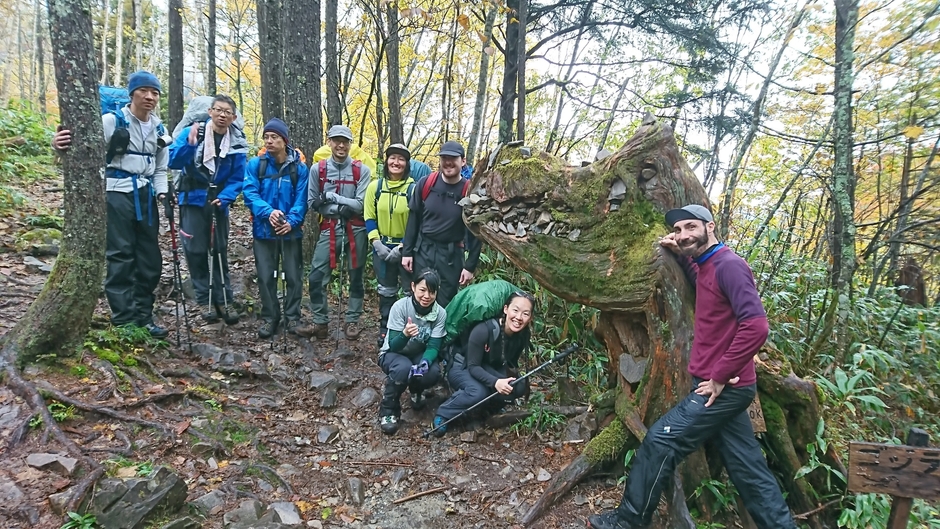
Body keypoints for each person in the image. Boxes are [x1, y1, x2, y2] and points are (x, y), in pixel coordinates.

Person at [587, 205, 796, 529]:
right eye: (679, 230)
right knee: (749, 470)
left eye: (690, 227)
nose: (684, 234)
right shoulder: (709, 264)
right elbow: (704, 281)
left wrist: (719, 377)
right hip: (729, 389)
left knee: (659, 441)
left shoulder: (730, 266)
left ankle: (629, 521)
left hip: (722, 390)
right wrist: (682, 254)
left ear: (709, 226)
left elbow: (756, 327)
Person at [52, 71, 170, 338]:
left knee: (150, 258)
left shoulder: (160, 128)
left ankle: (144, 316)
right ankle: (124, 320)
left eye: (155, 93)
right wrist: (57, 145)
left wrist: (162, 195)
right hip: (116, 194)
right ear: (131, 94)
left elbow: (161, 168)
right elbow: (80, 150)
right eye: (144, 91)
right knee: (121, 255)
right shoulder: (110, 121)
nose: (150, 97)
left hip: (146, 195)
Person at [168, 95, 247, 325]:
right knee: (195, 249)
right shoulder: (194, 133)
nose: (222, 115)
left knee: (219, 248)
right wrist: (189, 144)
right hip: (192, 198)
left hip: (218, 201)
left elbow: (238, 176)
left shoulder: (237, 141)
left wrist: (226, 197)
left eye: (227, 112)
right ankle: (204, 299)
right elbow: (173, 161)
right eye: (218, 110)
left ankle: (225, 299)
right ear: (210, 111)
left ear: (233, 117)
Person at [296, 125, 372, 341]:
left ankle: (352, 321)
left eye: (345, 141)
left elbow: (359, 205)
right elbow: (312, 202)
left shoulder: (362, 170)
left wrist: (332, 198)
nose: (341, 145)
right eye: (336, 140)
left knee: (356, 275)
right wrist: (339, 207)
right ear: (328, 141)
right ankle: (320, 323)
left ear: (350, 144)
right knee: (317, 275)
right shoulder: (317, 170)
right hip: (329, 228)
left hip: (356, 228)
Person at [430, 290, 535, 436]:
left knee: (517, 386)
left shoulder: (521, 335)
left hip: (488, 367)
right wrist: (496, 382)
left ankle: (490, 407)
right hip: (463, 366)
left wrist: (510, 380)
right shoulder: (485, 330)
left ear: (530, 318)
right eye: (515, 310)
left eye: (525, 313)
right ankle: (444, 413)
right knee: (478, 392)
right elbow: (473, 366)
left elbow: (510, 362)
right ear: (506, 309)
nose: (519, 317)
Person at [242, 119, 309, 338]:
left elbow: (302, 198)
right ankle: (270, 317)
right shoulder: (256, 165)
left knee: (293, 276)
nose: (269, 141)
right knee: (265, 276)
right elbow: (250, 193)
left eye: (274, 137)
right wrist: (268, 212)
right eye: (266, 137)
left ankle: (292, 318)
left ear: (284, 140)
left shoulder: (299, 167)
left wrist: (291, 221)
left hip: (290, 231)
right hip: (263, 231)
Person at [401, 141, 481, 307]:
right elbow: (413, 219)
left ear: (463, 161)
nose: (448, 162)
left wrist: (470, 266)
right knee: (419, 298)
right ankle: (417, 333)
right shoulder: (426, 183)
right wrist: (407, 252)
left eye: (453, 158)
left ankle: (441, 333)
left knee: (445, 303)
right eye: (444, 158)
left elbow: (476, 232)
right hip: (423, 251)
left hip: (451, 256)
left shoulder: (468, 191)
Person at [378, 268, 446, 435]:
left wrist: (426, 362)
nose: (426, 296)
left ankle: (416, 391)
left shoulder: (440, 313)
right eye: (422, 290)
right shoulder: (400, 307)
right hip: (394, 353)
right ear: (413, 287)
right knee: (403, 368)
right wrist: (405, 334)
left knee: (432, 372)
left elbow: (433, 346)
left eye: (431, 292)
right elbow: (393, 344)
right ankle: (389, 410)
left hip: (418, 354)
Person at [365, 143, 418, 347]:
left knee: (408, 292)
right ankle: (385, 328)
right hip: (381, 246)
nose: (396, 162)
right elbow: (369, 216)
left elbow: (417, 221)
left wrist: (404, 246)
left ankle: (409, 330)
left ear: (407, 164)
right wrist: (376, 242)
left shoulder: (413, 189)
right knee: (386, 291)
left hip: (406, 250)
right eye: (392, 158)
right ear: (386, 161)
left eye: (401, 159)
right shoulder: (375, 187)